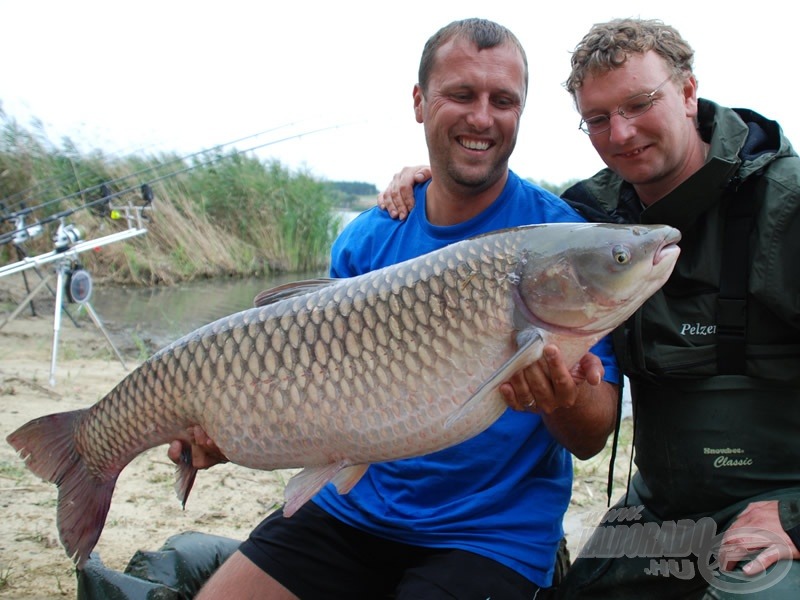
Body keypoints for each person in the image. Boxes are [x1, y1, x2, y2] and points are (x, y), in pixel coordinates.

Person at [167, 18, 619, 599]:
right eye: (461, 95)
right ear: (419, 102)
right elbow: (325, 406)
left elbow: (593, 436)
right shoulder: (369, 238)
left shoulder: (562, 242)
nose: (482, 117)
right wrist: (235, 431)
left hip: (488, 536)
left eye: (503, 101)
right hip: (352, 507)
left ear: (520, 111)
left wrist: (564, 396)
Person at [379, 17, 800, 599]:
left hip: (776, 506)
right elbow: (493, 202)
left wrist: (793, 513)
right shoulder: (590, 217)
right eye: (598, 118)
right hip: (661, 510)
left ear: (686, 92)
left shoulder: (789, 205)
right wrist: (423, 180)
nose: (621, 133)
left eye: (639, 104)